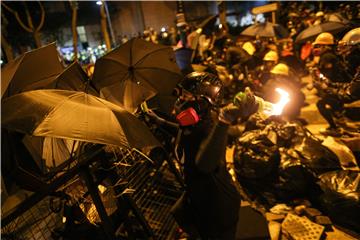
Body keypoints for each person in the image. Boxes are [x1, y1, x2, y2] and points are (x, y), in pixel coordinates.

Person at [171, 72, 258, 239]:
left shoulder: (211, 127)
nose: (180, 100)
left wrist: (224, 121)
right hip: (201, 196)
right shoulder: (196, 123)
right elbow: (185, 134)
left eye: (187, 96)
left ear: (203, 102)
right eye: (181, 94)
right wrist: (157, 120)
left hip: (217, 206)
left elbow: (205, 164)